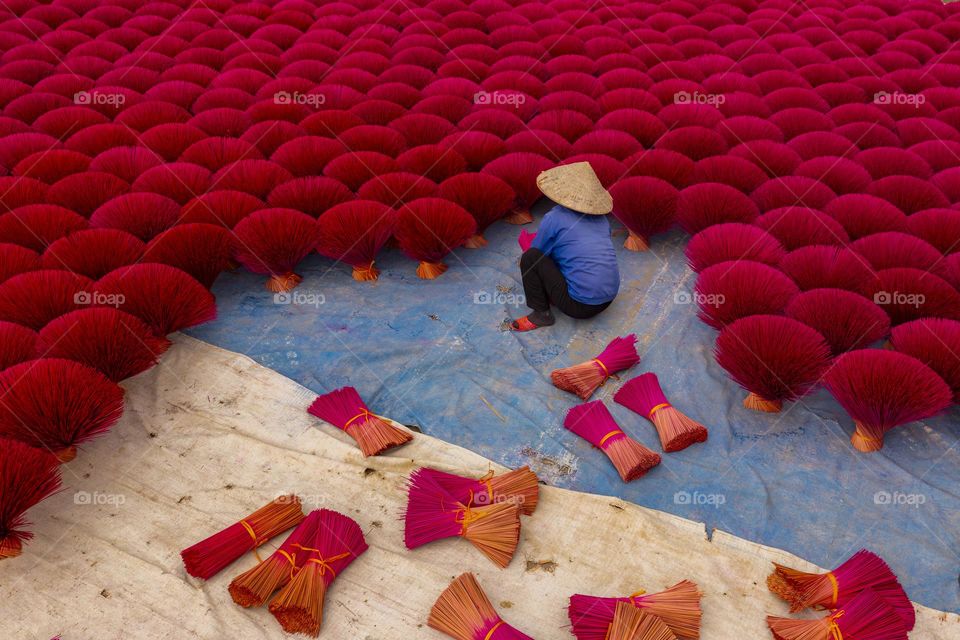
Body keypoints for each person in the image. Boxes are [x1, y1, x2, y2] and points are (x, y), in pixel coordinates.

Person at [511, 162, 620, 332]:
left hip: (579, 306)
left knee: (530, 258)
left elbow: (538, 251)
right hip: (609, 298)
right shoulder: (602, 219)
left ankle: (542, 315)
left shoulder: (554, 217)